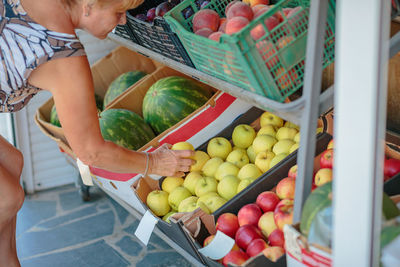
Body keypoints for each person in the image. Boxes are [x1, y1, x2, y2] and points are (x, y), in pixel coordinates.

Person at [0, 0, 195, 265]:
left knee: (12, 162)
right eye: (119, 12)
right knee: (7, 197)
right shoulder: (62, 54)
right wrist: (153, 163)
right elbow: (91, 151)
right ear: (89, 6)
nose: (124, 20)